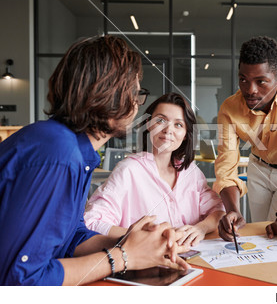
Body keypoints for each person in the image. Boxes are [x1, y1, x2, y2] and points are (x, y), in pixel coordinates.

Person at [0, 35, 189, 286]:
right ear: (107, 93)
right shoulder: (58, 154)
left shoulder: (74, 149)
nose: (136, 103)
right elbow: (19, 281)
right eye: (134, 92)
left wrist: (132, 243)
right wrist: (122, 257)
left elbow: (71, 238)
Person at [84, 93, 225, 246]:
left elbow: (218, 210)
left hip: (193, 260)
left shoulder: (191, 172)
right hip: (144, 264)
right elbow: (92, 221)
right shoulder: (129, 170)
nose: (168, 130)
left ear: (185, 135)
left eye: (178, 124)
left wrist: (201, 229)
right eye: (160, 120)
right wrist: (141, 236)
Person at [213, 36, 277, 243]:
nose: (251, 90)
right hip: (258, 168)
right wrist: (232, 212)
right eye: (243, 80)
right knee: (261, 233)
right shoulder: (229, 108)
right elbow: (226, 165)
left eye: (261, 81)